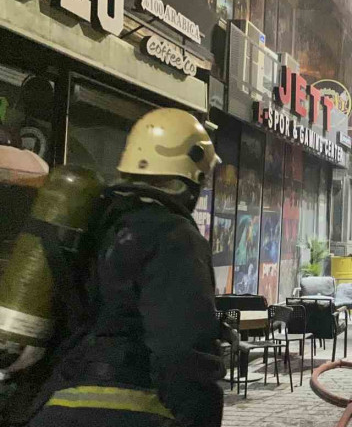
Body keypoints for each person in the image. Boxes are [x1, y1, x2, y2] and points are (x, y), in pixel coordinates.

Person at [28, 108, 225, 427]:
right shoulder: (173, 236)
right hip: (127, 411)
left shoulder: (93, 222)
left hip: (53, 404)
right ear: (194, 178)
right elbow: (183, 352)